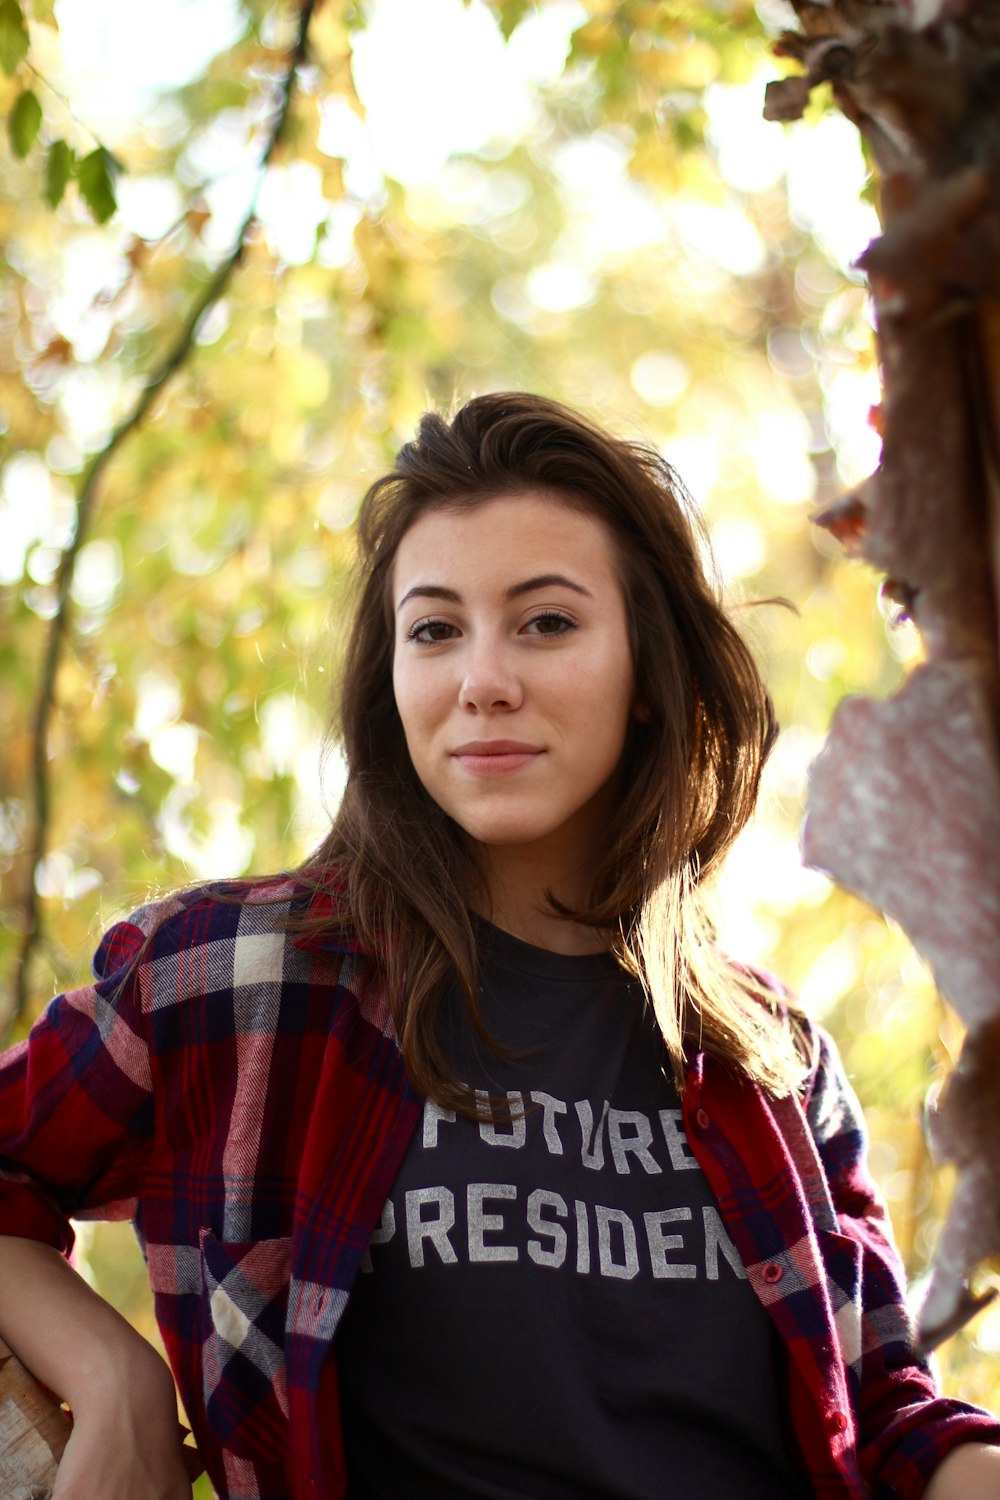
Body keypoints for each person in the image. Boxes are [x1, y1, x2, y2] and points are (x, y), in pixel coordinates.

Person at [0, 391, 998, 1500]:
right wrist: (112, 1373)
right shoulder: (227, 982)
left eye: (546, 622)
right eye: (434, 630)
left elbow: (882, 1418)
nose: (482, 679)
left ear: (649, 678)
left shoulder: (772, 1059)